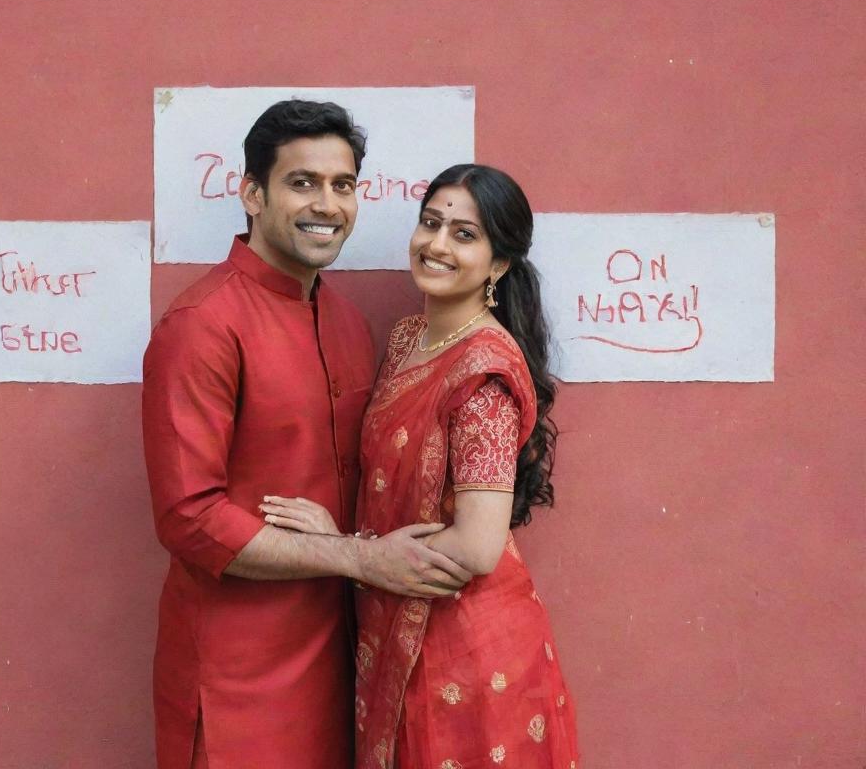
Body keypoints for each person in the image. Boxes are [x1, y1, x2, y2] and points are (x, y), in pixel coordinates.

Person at [141, 101, 473, 769]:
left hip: (340, 665)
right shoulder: (203, 325)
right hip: (238, 679)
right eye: (302, 183)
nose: (328, 204)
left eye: (343, 185)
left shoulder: (349, 323)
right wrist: (358, 558)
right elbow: (188, 519)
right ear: (252, 193)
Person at [266, 163, 580, 769]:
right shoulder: (410, 337)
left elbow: (477, 548)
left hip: (464, 651)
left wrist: (346, 549)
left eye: (464, 234)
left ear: (498, 265)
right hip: (394, 628)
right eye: (430, 223)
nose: (436, 244)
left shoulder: (482, 375)